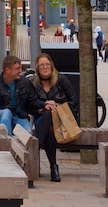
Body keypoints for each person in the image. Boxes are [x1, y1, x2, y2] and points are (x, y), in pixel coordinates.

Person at [22, 53, 77, 182]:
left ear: (51, 66)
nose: (45, 67)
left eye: (47, 64)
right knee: (49, 127)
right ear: (37, 67)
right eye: (42, 65)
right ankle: (53, 167)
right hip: (42, 119)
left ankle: (33, 152)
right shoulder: (33, 83)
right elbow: (29, 106)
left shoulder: (61, 79)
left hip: (62, 120)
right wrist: (43, 106)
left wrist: (56, 106)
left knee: (50, 117)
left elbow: (74, 101)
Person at [0, 55, 31, 137]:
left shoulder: (25, 83)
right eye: (18, 68)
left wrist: (43, 105)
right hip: (2, 114)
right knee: (6, 113)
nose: (20, 71)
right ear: (7, 70)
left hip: (19, 115)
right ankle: (6, 138)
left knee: (28, 135)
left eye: (21, 68)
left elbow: (32, 100)